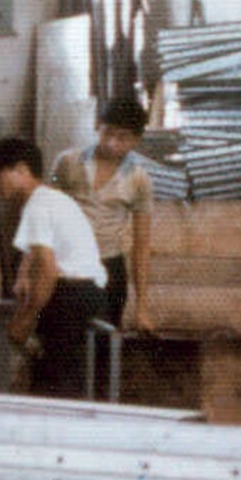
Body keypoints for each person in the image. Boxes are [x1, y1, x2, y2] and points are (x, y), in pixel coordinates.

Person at [0, 136, 110, 399]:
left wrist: (25, 318)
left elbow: (48, 271)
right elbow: (36, 252)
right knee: (55, 377)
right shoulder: (51, 199)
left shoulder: (37, 206)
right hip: (88, 292)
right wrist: (22, 277)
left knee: (55, 385)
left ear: (21, 170)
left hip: (71, 296)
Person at [51, 95, 155, 333]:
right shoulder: (66, 162)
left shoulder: (140, 179)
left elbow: (141, 244)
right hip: (66, 267)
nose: (111, 143)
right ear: (98, 126)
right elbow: (45, 215)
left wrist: (141, 307)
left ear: (136, 140)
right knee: (62, 340)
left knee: (104, 344)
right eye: (107, 132)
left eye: (122, 137)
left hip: (109, 269)